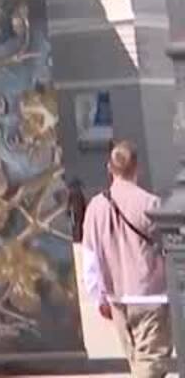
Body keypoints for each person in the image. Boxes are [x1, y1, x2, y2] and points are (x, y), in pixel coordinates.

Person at [80, 141, 170, 378]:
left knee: (137, 362)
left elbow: (90, 258)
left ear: (110, 168)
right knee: (150, 363)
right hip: (150, 294)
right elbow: (170, 247)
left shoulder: (95, 208)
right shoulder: (150, 204)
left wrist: (98, 296)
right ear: (137, 167)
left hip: (117, 297)